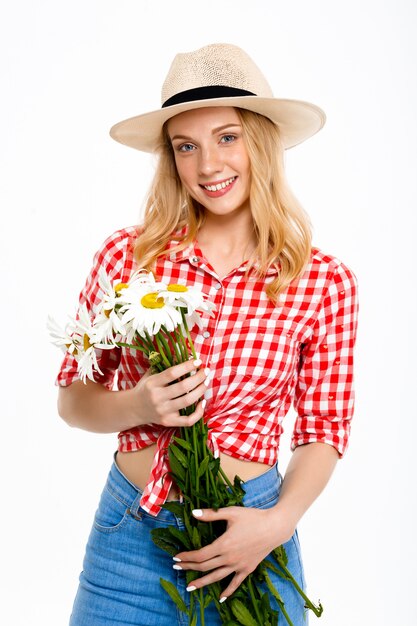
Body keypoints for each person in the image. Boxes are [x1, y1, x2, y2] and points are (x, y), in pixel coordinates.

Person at [56, 43, 358, 625]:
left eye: (227, 137)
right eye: (185, 147)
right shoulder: (128, 258)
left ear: (261, 142)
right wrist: (138, 403)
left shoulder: (322, 281)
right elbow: (72, 400)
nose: (207, 166)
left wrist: (278, 522)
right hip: (130, 538)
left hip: (251, 538)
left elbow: (323, 431)